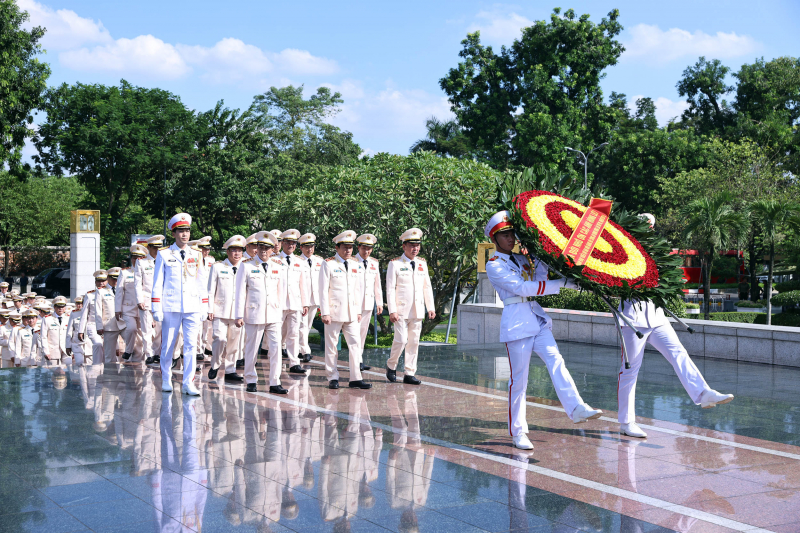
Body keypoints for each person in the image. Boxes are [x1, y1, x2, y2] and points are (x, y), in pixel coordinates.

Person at [484, 211, 604, 450]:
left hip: (536, 318)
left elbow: (538, 276)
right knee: (519, 381)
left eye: (512, 234)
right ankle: (518, 431)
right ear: (494, 239)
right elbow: (522, 287)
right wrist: (561, 284)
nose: (510, 238)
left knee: (556, 360)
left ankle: (576, 407)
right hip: (517, 323)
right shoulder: (494, 265)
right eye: (504, 235)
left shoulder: (522, 259)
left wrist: (543, 254)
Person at [616, 214, 734, 438]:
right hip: (633, 319)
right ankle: (626, 422)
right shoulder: (622, 251)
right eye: (644, 228)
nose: (648, 232)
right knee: (630, 370)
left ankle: (703, 393)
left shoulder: (656, 252)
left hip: (657, 316)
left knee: (678, 352)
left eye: (650, 228)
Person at [151, 212, 209, 396]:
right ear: (174, 233)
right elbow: (157, 282)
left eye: (187, 231)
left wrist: (204, 306)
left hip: (192, 305)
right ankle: (166, 378)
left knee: (191, 345)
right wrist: (156, 307)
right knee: (168, 344)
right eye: (180, 231)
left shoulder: (197, 254)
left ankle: (188, 383)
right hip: (171, 305)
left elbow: (202, 282)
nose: (184, 235)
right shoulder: (164, 253)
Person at [234, 230, 288, 394]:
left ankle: (274, 382)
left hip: (273, 314)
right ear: (256, 248)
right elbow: (240, 292)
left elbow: (281, 292)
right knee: (251, 349)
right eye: (261, 247)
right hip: (254, 314)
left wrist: (280, 312)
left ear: (273, 250)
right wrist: (238, 314)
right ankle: (250, 379)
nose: (263, 251)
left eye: (267, 248)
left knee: (276, 349)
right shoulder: (247, 265)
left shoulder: (278, 267)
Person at [319, 230, 369, 390]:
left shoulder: (355, 264)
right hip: (334, 313)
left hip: (352, 313)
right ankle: (332, 377)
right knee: (332, 346)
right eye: (345, 247)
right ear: (337, 247)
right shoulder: (329, 264)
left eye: (350, 247)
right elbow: (323, 290)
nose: (348, 250)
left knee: (355, 344)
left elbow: (358, 289)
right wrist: (325, 312)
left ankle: (356, 378)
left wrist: (359, 310)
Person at [385, 228, 435, 385]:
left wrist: (430, 307)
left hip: (417, 309)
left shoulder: (422, 263)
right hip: (400, 310)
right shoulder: (395, 264)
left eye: (417, 245)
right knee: (401, 340)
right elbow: (390, 288)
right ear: (404, 246)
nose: (415, 248)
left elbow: (427, 287)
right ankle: (391, 365)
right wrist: (392, 310)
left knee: (413, 342)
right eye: (412, 245)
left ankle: (409, 373)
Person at [207, 235, 246, 383]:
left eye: (239, 251)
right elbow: (210, 290)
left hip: (238, 313)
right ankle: (215, 365)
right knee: (220, 338)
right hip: (220, 310)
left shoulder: (246, 267)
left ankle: (230, 369)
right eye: (233, 250)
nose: (237, 253)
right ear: (227, 252)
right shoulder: (218, 267)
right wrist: (209, 309)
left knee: (234, 342)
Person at [278, 229, 310, 375]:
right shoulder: (274, 260)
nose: (290, 245)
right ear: (282, 243)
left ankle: (294, 362)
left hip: (295, 303)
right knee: (276, 335)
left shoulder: (300, 262)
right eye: (288, 242)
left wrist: (305, 303)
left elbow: (303, 284)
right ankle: (276, 361)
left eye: (293, 243)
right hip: (278, 304)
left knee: (294, 334)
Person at [355, 233, 383, 369]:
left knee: (362, 333)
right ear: (359, 247)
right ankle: (354, 360)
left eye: (369, 248)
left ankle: (358, 360)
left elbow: (377, 285)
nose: (366, 251)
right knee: (353, 333)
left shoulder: (374, 263)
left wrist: (379, 302)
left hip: (367, 303)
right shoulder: (351, 261)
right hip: (354, 304)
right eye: (364, 248)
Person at [136, 235, 163, 365]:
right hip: (146, 299)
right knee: (146, 329)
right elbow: (138, 284)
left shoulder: (165, 261)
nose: (157, 250)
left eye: (159, 247)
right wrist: (139, 299)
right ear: (149, 248)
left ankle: (157, 352)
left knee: (160, 329)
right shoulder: (141, 262)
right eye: (155, 248)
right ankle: (149, 353)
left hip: (161, 300)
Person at [118, 245, 146, 361]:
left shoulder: (147, 271)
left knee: (141, 339)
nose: (136, 260)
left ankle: (138, 363)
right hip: (128, 308)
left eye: (139, 257)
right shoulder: (125, 273)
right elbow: (119, 292)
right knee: (132, 329)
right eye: (134, 257)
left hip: (143, 308)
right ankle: (128, 350)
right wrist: (117, 309)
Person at [298, 233, 323, 363]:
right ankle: (305, 351)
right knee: (302, 325)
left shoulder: (319, 261)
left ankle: (299, 349)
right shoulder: (298, 261)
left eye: (312, 246)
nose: (310, 249)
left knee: (307, 325)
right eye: (307, 247)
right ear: (301, 248)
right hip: (303, 299)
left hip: (315, 298)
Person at [94, 266, 126, 365]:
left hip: (124, 323)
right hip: (109, 325)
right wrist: (99, 326)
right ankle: (110, 377)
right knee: (109, 354)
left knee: (131, 348)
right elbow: (98, 310)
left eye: (117, 278)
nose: (115, 280)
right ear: (108, 278)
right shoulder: (101, 291)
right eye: (112, 278)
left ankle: (130, 374)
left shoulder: (123, 289)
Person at [41, 296, 69, 366]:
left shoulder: (68, 318)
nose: (60, 309)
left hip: (66, 351)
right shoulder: (47, 319)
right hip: (52, 352)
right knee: (54, 374)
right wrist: (46, 351)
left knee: (68, 374)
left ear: (65, 307)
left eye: (62, 307)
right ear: (54, 307)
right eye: (58, 307)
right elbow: (43, 337)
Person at [66, 296, 90, 365]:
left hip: (89, 344)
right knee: (80, 366)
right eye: (77, 303)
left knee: (91, 369)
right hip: (77, 344)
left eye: (81, 303)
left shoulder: (91, 312)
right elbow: (69, 330)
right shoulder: (74, 313)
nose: (79, 305)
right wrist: (68, 346)